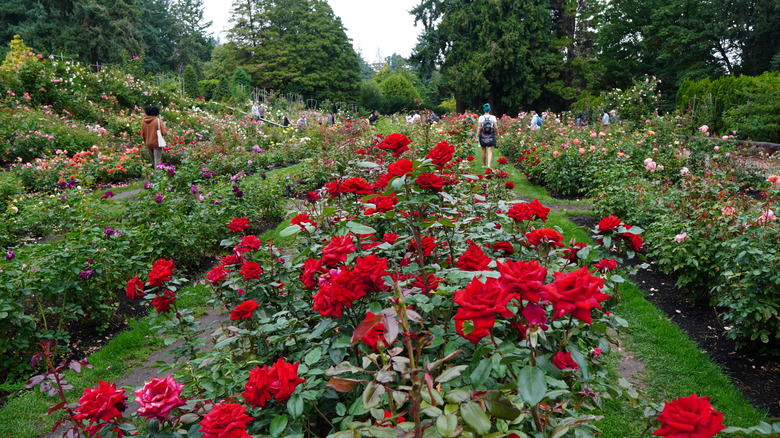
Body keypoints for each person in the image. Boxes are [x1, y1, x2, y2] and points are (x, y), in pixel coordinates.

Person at [476, 103, 498, 169]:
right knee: (490, 150)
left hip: (483, 135)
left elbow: (479, 127)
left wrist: (476, 136)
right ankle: (489, 165)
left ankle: (484, 164)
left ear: (483, 110)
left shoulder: (481, 118)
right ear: (490, 110)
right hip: (491, 135)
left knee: (483, 150)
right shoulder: (493, 117)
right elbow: (496, 127)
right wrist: (497, 134)